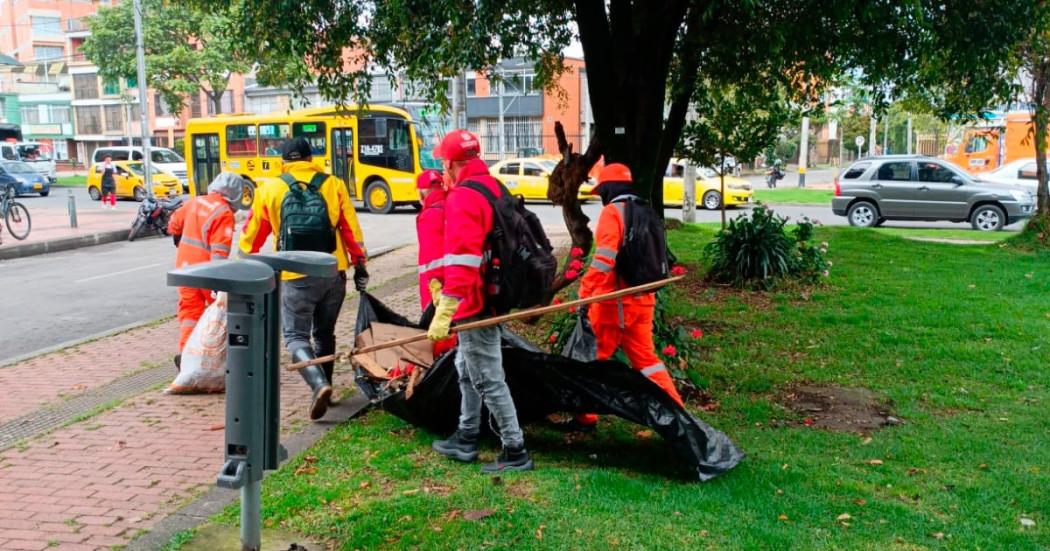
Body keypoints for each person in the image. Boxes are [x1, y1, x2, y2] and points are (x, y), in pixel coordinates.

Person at [238, 137, 369, 421]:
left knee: (296, 336)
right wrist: (359, 262)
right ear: (311, 159)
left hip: (295, 275)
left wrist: (245, 260)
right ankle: (327, 389)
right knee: (324, 333)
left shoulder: (270, 188)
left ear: (283, 161)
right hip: (332, 271)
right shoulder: (333, 184)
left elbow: (252, 235)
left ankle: (318, 383)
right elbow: (351, 229)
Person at [428, 129, 533, 473]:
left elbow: (463, 261)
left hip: (475, 302)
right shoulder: (492, 186)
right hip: (494, 293)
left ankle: (515, 450)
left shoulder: (463, 197)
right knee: (465, 367)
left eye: (442, 163)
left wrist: (446, 308)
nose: (442, 169)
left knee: (487, 377)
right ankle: (466, 435)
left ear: (451, 163)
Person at [575, 163, 684, 429]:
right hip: (643, 300)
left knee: (590, 362)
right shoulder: (646, 210)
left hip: (613, 304)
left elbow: (604, 260)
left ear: (609, 189)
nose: (601, 197)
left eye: (602, 191)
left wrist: (584, 294)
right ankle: (680, 417)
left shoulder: (613, 212)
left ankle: (585, 418)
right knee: (648, 362)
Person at [168, 172, 245, 368]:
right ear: (235, 193)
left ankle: (186, 357)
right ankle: (214, 359)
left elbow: (173, 224)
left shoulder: (194, 202)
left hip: (185, 271)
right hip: (207, 274)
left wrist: (179, 235)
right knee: (216, 316)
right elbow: (219, 253)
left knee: (189, 314)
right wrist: (218, 283)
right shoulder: (224, 212)